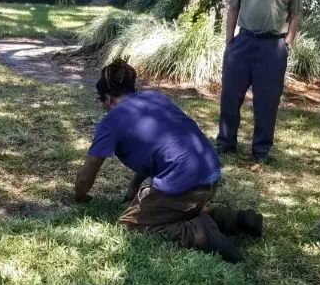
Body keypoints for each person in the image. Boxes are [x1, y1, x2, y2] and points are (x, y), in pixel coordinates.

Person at [74, 60, 263, 262]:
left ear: (109, 99)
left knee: (130, 223)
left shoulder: (110, 123)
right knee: (177, 208)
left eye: (102, 103)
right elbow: (160, 148)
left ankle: (199, 233)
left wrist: (80, 195)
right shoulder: (154, 98)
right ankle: (237, 219)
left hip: (186, 184)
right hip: (210, 172)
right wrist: (134, 185)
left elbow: (86, 177)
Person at [216, 0, 303, 164]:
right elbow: (233, 6)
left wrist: (288, 42)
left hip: (273, 46)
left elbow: (295, 13)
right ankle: (225, 142)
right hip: (243, 42)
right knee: (230, 95)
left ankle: (261, 150)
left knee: (267, 100)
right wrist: (229, 41)